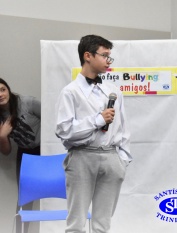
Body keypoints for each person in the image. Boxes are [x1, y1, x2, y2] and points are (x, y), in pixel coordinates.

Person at [55, 34, 131, 233]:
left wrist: (122, 159)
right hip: (81, 156)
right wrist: (97, 120)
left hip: (111, 157)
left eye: (109, 57)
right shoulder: (70, 92)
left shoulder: (114, 91)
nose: (108, 61)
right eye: (105, 55)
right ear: (87, 56)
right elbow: (64, 131)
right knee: (76, 223)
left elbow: (123, 128)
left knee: (102, 224)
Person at [0, 78, 41, 233]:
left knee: (53, 191)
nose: (0, 94)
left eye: (3, 89)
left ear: (8, 89)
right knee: (25, 198)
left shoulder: (28, 103)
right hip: (24, 152)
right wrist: (3, 137)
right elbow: (6, 151)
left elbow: (54, 120)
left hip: (44, 151)